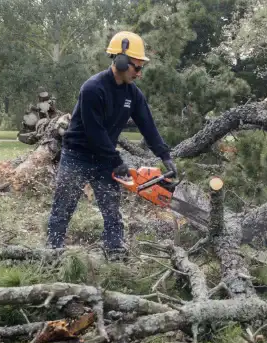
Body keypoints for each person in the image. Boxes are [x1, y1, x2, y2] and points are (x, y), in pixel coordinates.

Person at [47, 31, 177, 260]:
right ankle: (53, 251)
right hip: (77, 155)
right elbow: (94, 131)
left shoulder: (132, 94)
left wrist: (164, 155)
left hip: (104, 158)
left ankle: (114, 250)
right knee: (63, 206)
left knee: (111, 207)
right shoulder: (93, 88)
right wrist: (116, 160)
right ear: (121, 61)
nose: (139, 73)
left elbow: (147, 124)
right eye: (137, 67)